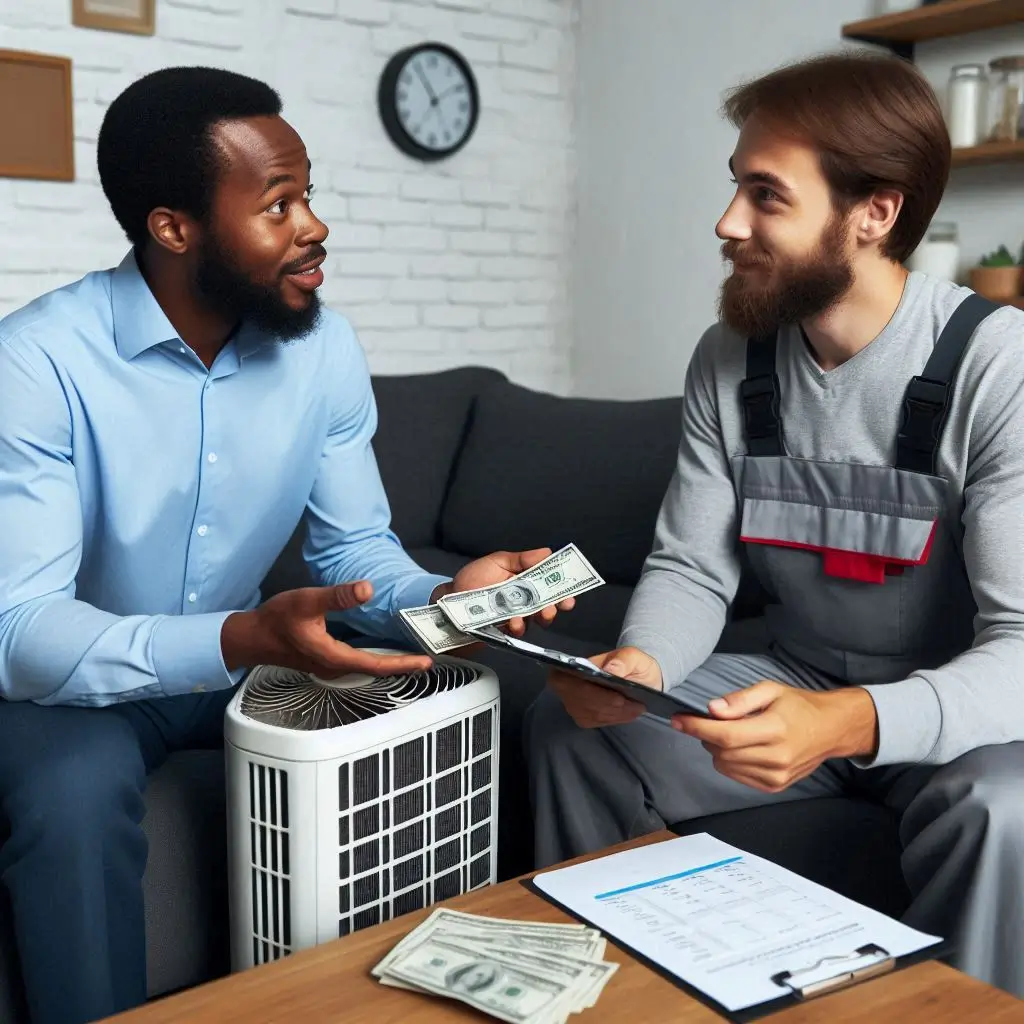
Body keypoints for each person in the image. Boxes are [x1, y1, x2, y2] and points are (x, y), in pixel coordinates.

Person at [0, 66, 572, 1024]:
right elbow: (21, 631)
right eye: (278, 204)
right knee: (71, 792)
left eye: (308, 195)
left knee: (433, 704)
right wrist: (241, 641)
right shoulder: (36, 363)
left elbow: (358, 555)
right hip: (72, 687)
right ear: (173, 226)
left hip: (238, 662)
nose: (315, 226)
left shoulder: (324, 350)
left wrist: (447, 596)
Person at [527, 50, 1024, 999]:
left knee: (1004, 813)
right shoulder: (730, 358)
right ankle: (623, 1001)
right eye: (734, 189)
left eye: (767, 196)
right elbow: (690, 568)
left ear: (874, 213)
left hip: (968, 715)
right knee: (572, 728)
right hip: (795, 674)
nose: (727, 223)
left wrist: (849, 722)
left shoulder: (999, 368)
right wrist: (641, 671)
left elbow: (1022, 651)